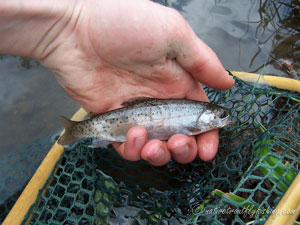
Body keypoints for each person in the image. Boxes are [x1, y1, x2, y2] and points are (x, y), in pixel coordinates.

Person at [0, 0, 234, 166]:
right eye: (220, 116)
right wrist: (70, 23)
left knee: (154, 145)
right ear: (207, 117)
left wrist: (70, 23)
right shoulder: (196, 121)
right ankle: (77, 130)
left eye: (221, 116)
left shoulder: (197, 119)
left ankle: (78, 130)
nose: (222, 118)